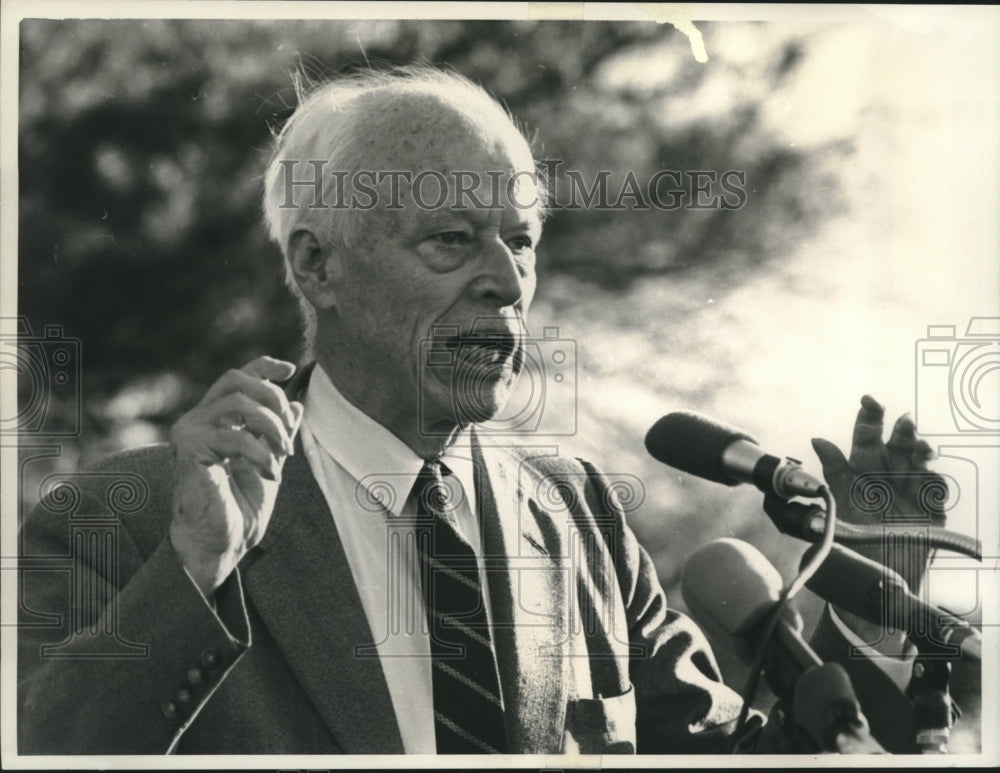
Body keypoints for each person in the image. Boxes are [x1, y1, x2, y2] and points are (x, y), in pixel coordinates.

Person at [17, 66, 963, 755]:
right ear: (317, 264)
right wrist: (194, 571)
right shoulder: (131, 521)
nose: (507, 282)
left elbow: (747, 754)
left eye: (522, 240)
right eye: (452, 239)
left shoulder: (581, 513)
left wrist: (877, 613)